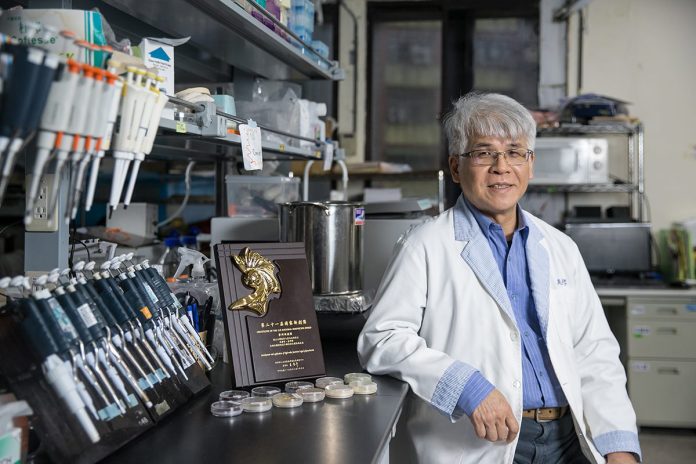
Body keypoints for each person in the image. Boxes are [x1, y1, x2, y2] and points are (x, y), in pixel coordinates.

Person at [357, 92, 641, 464]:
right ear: (456, 167)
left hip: (570, 440)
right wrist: (467, 387)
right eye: (483, 153)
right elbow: (382, 338)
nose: (501, 167)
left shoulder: (560, 247)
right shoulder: (423, 245)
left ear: (530, 164)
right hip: (481, 443)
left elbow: (595, 352)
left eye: (514, 152)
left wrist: (618, 446)